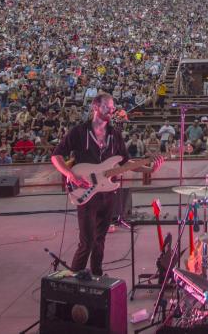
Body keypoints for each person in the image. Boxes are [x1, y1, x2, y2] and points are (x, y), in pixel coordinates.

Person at [51, 93, 163, 276]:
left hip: (107, 194)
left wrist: (150, 170)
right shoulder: (79, 132)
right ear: (95, 107)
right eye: (107, 107)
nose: (111, 111)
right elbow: (56, 156)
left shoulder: (115, 135)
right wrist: (70, 175)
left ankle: (96, 276)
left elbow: (125, 164)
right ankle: (73, 280)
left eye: (112, 108)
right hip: (86, 192)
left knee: (100, 240)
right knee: (86, 242)